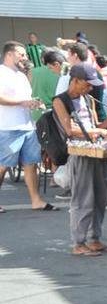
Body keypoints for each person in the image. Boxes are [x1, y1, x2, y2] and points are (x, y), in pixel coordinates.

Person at [56, 64, 107, 256]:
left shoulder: (87, 99)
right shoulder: (60, 101)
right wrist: (98, 131)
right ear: (75, 80)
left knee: (100, 197)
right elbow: (69, 130)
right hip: (79, 153)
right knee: (83, 199)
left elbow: (95, 125)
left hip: (97, 152)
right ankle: (78, 242)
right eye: (87, 84)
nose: (90, 88)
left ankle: (94, 239)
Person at [0, 41, 55, 213]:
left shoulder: (22, 76)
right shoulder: (2, 73)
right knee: (3, 165)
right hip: (8, 127)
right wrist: (23, 102)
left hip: (27, 125)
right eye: (21, 54)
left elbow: (25, 99)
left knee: (31, 163)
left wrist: (33, 103)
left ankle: (36, 200)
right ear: (9, 54)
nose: (25, 57)